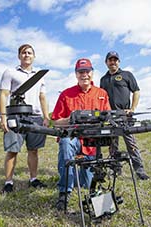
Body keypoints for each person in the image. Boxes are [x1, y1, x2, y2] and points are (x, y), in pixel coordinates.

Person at [51, 58, 111, 210]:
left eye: (87, 71)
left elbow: (109, 118)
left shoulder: (102, 93)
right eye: (81, 72)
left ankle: (81, 181)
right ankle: (64, 192)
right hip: (74, 139)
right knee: (66, 142)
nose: (85, 75)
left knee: (86, 183)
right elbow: (56, 121)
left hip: (92, 144)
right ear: (76, 74)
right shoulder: (66, 94)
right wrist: (71, 118)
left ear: (92, 73)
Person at [0, 44, 50, 193]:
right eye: (23, 52)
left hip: (35, 117)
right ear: (19, 56)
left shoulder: (40, 76)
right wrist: (3, 117)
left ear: (34, 56)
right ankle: (8, 182)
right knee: (12, 150)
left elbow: (42, 97)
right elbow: (3, 94)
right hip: (16, 115)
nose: (26, 55)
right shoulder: (10, 72)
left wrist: (46, 116)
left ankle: (33, 179)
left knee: (33, 150)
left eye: (29, 53)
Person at [100, 51, 149, 180]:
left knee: (131, 145)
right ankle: (116, 170)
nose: (113, 62)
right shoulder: (103, 79)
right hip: (110, 117)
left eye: (115, 60)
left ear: (119, 62)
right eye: (110, 60)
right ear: (106, 62)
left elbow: (136, 91)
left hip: (124, 116)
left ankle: (140, 171)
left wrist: (132, 108)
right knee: (112, 146)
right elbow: (101, 98)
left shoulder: (127, 75)